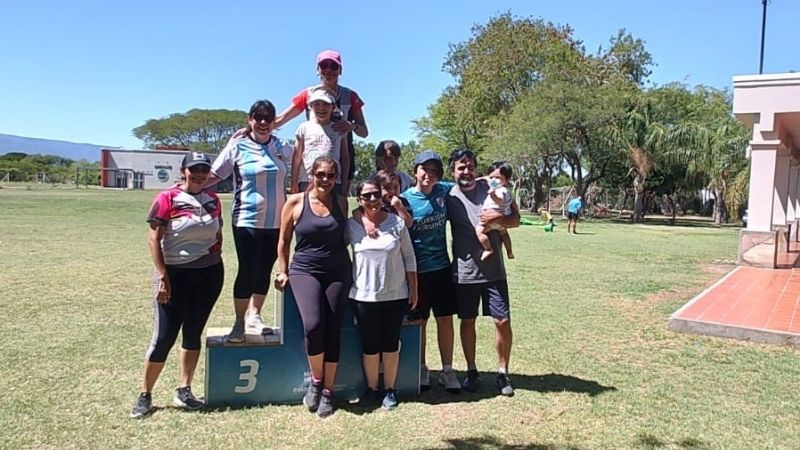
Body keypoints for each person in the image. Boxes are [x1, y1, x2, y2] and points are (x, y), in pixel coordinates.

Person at [131, 152, 224, 418]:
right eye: (194, 169)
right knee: (164, 337)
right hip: (174, 275)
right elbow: (153, 239)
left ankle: (184, 390)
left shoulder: (213, 199)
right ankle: (145, 395)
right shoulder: (167, 198)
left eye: (204, 169)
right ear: (183, 171)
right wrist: (162, 276)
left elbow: (218, 233)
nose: (199, 174)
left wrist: (213, 254)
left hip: (208, 275)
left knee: (193, 332)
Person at [206, 100, 290, 343]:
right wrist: (187, 187)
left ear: (274, 122)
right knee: (247, 269)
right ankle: (239, 321)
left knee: (264, 269)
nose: (263, 122)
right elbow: (215, 174)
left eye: (268, 118)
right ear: (250, 119)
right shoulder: (238, 145)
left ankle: (255, 315)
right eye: (258, 117)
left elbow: (303, 163)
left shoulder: (281, 146)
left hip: (276, 221)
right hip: (246, 219)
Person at [275, 156, 350, 418]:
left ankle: (328, 391)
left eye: (331, 175)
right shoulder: (295, 202)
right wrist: (283, 271)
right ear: (311, 174)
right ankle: (317, 381)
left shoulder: (342, 202)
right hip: (304, 270)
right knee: (314, 325)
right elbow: (283, 240)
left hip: (338, 272)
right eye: (321, 174)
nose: (325, 180)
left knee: (333, 329)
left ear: (336, 177)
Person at [446, 148, 520, 397]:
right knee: (467, 321)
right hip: (465, 272)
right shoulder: (448, 195)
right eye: (461, 167)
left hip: (494, 271)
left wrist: (498, 217)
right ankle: (471, 370)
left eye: (470, 166)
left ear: (476, 168)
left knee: (502, 321)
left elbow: (516, 219)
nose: (466, 171)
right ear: (453, 171)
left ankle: (503, 373)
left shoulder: (491, 185)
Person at [346, 176, 418, 410]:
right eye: (366, 196)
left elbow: (409, 257)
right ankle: (372, 389)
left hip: (395, 295)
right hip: (363, 297)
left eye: (376, 194)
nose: (372, 199)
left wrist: (413, 288)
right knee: (370, 346)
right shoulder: (351, 225)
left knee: (390, 345)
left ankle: (390, 390)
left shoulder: (397, 223)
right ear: (359, 200)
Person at [400, 150, 461, 393]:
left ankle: (447, 370)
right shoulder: (405, 199)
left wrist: (493, 179)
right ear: (415, 171)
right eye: (425, 169)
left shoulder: (444, 191)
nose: (429, 174)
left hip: (442, 268)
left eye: (435, 170)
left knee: (445, 319)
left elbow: (468, 183)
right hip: (417, 272)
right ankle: (422, 367)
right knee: (420, 321)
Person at [274, 49, 368, 188]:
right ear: (317, 69)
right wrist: (250, 130)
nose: (328, 70)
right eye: (324, 65)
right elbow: (281, 119)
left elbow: (364, 132)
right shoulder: (308, 95)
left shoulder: (350, 96)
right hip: (312, 167)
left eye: (333, 66)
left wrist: (352, 126)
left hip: (342, 160)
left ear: (340, 70)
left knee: (339, 198)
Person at [291, 89, 349, 195]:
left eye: (326, 104)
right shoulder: (304, 127)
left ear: (333, 107)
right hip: (307, 180)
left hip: (333, 181)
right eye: (317, 104)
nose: (321, 108)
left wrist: (344, 182)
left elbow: (345, 157)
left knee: (334, 205)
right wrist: (294, 181)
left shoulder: (339, 128)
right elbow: (297, 157)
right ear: (310, 106)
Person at [476, 161, 515, 261]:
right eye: (491, 177)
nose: (494, 180)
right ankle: (509, 251)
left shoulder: (501, 190)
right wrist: (480, 179)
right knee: (504, 234)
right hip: (502, 221)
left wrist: (493, 195)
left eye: (498, 178)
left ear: (507, 180)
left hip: (491, 220)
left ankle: (488, 249)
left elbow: (500, 200)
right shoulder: (498, 186)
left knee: (479, 232)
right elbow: (487, 178)